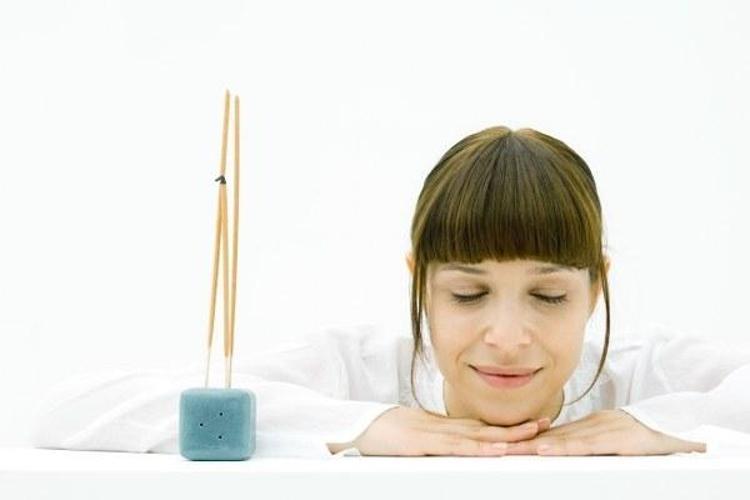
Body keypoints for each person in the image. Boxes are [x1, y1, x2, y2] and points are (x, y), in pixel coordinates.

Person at [30, 126, 750, 458]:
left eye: (549, 297)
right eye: (467, 294)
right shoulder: (361, 369)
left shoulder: (639, 374)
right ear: (420, 284)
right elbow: (68, 411)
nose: (507, 337)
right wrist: (362, 426)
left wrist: (669, 430)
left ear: (596, 290)